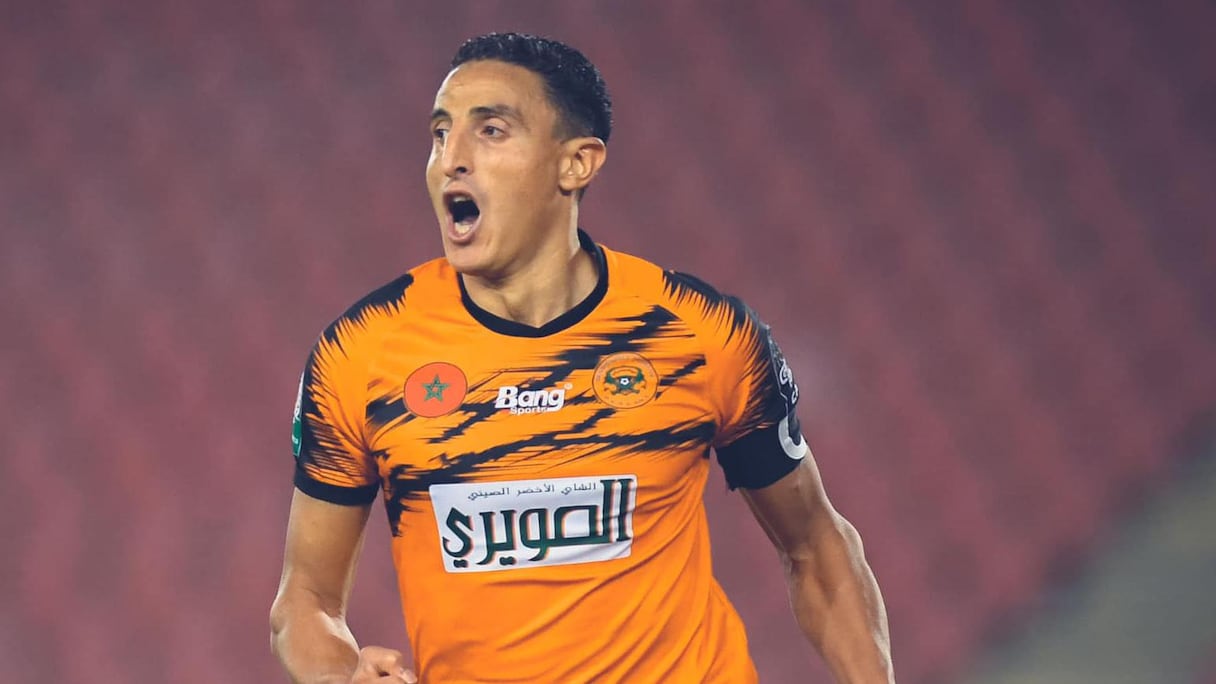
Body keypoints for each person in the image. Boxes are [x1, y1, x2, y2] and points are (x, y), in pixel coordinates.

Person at [270, 32, 893, 684]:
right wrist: (340, 677)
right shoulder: (360, 354)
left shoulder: (701, 333)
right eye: (440, 133)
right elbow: (305, 602)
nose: (450, 159)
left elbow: (816, 547)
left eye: (491, 131)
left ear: (576, 164)